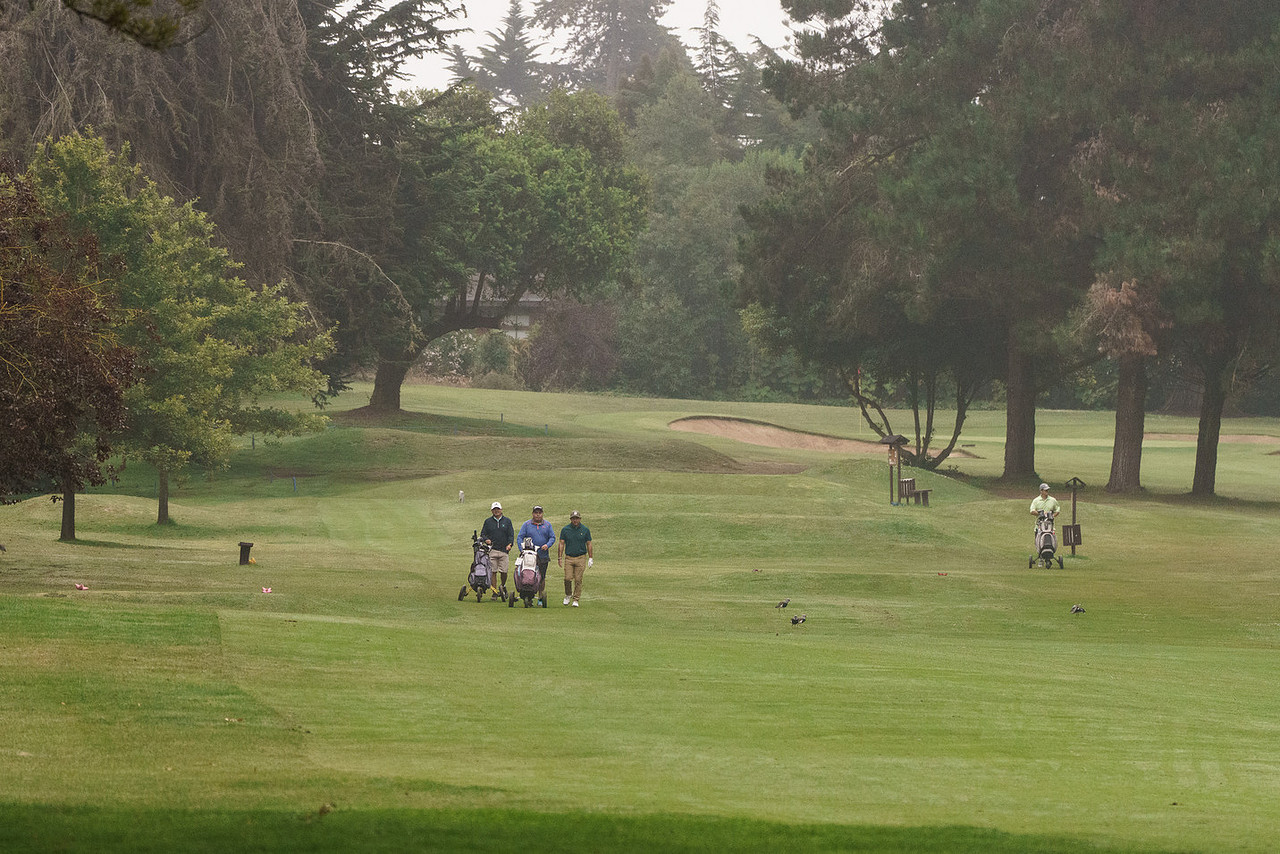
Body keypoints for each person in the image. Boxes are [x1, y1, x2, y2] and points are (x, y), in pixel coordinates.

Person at [517, 505, 555, 607]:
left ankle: (540, 597)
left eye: (539, 513)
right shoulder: (527, 524)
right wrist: (522, 549)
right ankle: (528, 596)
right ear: (533, 514)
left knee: (541, 577)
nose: (538, 515)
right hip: (529, 556)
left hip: (542, 556)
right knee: (528, 575)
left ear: (542, 514)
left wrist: (547, 545)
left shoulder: (547, 525)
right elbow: (520, 537)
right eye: (536, 513)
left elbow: (552, 537)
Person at [557, 510, 594, 607]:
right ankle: (568, 594)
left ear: (580, 519)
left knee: (578, 579)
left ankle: (576, 599)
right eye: (573, 518)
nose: (575, 520)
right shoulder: (565, 530)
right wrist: (559, 557)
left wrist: (590, 557)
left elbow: (589, 543)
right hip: (569, 557)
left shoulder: (585, 530)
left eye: (577, 518)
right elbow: (561, 543)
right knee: (567, 578)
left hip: (581, 557)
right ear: (570, 519)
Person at [480, 501, 514, 600]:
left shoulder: (507, 521)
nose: (496, 511)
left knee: (504, 571)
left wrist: (510, 544)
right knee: (493, 571)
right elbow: (483, 534)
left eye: (498, 509)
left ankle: (502, 586)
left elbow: (511, 535)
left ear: (501, 510)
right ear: (491, 511)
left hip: (504, 550)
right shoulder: (488, 521)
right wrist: (486, 540)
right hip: (492, 550)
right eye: (494, 509)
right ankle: (494, 592)